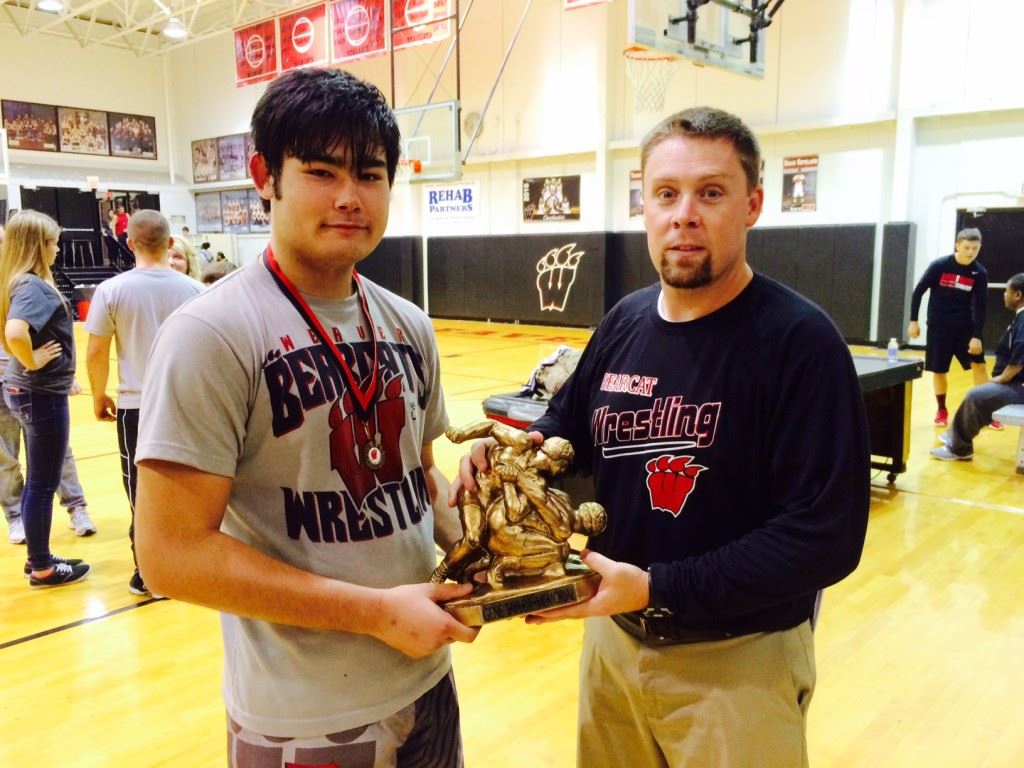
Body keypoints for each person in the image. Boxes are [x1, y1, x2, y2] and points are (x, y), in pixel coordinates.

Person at [454, 107, 870, 767]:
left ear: (752, 204)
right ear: (643, 204)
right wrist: (516, 454)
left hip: (738, 664)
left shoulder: (800, 343)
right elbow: (569, 428)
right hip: (613, 645)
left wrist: (660, 586)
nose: (684, 214)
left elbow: (825, 536)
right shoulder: (623, 323)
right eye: (666, 194)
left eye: (711, 192)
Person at [134, 67, 477, 767]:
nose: (350, 197)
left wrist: (486, 539)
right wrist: (377, 613)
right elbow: (170, 556)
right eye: (322, 171)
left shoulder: (408, 324)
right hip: (304, 716)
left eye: (371, 175)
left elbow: (418, 483)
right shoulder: (213, 333)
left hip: (428, 684)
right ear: (266, 175)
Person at [85, 210, 202, 595]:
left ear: (129, 243)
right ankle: (187, 565)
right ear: (170, 244)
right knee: (188, 482)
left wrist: (99, 394)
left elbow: (96, 351)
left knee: (139, 489)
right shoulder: (195, 291)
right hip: (183, 401)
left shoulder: (112, 290)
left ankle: (147, 574)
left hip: (137, 405)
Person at [1, 210, 91, 587]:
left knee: (41, 478)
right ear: (38, 245)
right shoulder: (34, 285)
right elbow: (16, 330)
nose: (57, 249)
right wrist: (32, 359)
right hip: (38, 393)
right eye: (53, 242)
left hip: (26, 389)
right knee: (42, 481)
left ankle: (38, 553)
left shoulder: (16, 280)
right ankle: (42, 566)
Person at [931, 273, 1024, 461]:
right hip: (1016, 384)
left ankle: (960, 449)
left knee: (975, 396)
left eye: (1007, 290)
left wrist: (1002, 378)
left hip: (1018, 387)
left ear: (1018, 295)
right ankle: (954, 436)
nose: (1004, 294)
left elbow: (1021, 354)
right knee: (983, 394)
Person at [908, 229, 994, 428]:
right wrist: (913, 320)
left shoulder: (979, 273)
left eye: (975, 248)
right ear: (957, 245)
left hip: (965, 326)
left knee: (979, 365)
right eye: (966, 247)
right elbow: (918, 291)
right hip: (939, 326)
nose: (970, 252)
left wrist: (977, 336)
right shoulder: (940, 265)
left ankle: (986, 410)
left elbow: (981, 306)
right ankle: (941, 409)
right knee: (939, 370)